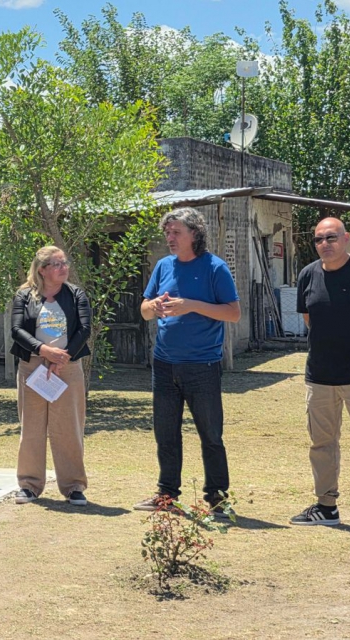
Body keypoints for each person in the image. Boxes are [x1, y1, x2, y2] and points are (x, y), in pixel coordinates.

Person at [134, 207, 241, 513]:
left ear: (195, 233)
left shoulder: (215, 267)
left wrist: (191, 305)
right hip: (164, 365)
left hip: (202, 365)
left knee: (211, 435)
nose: (170, 237)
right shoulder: (163, 266)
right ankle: (167, 496)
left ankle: (217, 498)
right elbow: (144, 310)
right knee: (166, 434)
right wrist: (153, 306)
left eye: (176, 232)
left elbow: (233, 313)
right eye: (167, 232)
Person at [290, 216, 350, 537]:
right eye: (318, 239)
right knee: (322, 444)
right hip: (320, 377)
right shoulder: (307, 275)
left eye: (331, 237)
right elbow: (309, 318)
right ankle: (326, 506)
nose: (324, 244)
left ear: (346, 238)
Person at [9, 246, 92, 506]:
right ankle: (29, 485)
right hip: (33, 367)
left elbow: (85, 329)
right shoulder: (24, 295)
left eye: (65, 263)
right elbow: (16, 330)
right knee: (31, 428)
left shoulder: (76, 294)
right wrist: (43, 350)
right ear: (43, 270)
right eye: (57, 264)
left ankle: (74, 486)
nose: (64, 268)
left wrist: (62, 357)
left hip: (67, 367)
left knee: (69, 428)